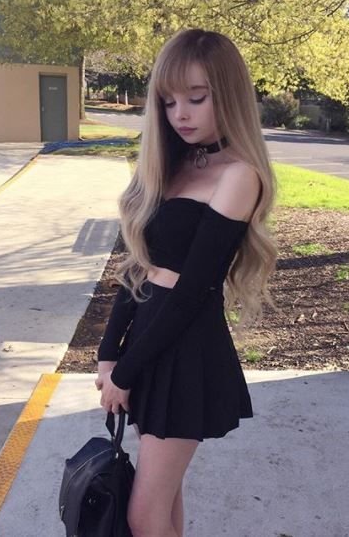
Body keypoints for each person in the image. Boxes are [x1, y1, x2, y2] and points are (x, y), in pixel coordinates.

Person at [95, 28, 278, 537]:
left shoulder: (239, 175)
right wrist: (109, 353)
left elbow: (193, 291)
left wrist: (126, 371)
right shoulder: (170, 164)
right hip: (150, 341)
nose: (181, 113)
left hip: (186, 348)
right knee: (162, 500)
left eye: (197, 98)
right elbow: (138, 265)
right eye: (169, 100)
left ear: (229, 93)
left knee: (143, 514)